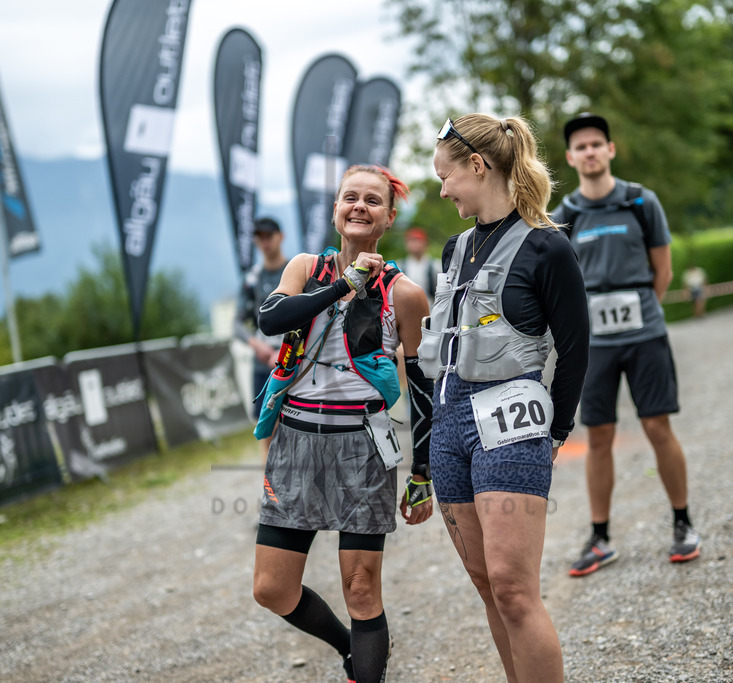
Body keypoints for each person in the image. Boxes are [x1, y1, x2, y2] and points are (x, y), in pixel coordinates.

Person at [251, 165, 435, 683]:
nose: (359, 206)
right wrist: (342, 287)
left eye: (373, 201)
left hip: (363, 445)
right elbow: (270, 319)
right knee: (272, 588)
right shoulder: (306, 268)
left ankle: (367, 669)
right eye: (350, 197)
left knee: (361, 588)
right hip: (295, 441)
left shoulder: (405, 294)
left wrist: (423, 472)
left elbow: (424, 389)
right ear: (335, 210)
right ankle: (350, 650)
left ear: (389, 218)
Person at [425, 114, 590, 682]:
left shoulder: (548, 246)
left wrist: (556, 433)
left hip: (511, 421)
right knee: (486, 586)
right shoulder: (455, 248)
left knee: (514, 589)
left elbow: (575, 350)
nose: (442, 190)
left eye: (446, 177)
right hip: (449, 424)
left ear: (477, 166)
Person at [551, 112, 702, 578]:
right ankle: (600, 537)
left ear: (610, 150)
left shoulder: (641, 202)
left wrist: (642, 312)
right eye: (581, 146)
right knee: (598, 436)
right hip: (594, 346)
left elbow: (663, 272)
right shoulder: (564, 216)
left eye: (597, 143)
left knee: (658, 426)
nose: (590, 152)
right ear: (570, 157)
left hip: (645, 336)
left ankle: (683, 523)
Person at [234, 217, 289, 458]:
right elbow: (237, 323)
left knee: (296, 426)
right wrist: (257, 345)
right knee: (265, 428)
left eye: (269, 236)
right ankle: (268, 478)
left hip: (293, 361)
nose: (264, 242)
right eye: (260, 237)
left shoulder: (295, 270)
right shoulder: (252, 278)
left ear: (280, 237)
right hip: (262, 365)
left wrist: (285, 350)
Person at [397, 227, 443, 304]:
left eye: (417, 241)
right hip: (406, 306)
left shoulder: (436, 266)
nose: (414, 244)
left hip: (431, 307)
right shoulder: (399, 266)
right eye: (411, 241)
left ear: (425, 244)